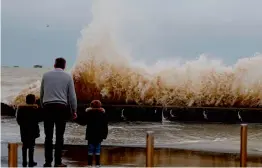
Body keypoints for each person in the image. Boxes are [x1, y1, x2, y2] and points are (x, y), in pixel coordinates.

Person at [40, 57, 77, 167]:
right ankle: (57, 162)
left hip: (47, 107)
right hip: (61, 108)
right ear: (64, 66)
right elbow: (72, 97)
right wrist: (74, 110)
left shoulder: (45, 75)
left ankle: (47, 162)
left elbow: (41, 93)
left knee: (48, 137)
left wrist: (43, 107)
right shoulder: (68, 76)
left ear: (54, 65)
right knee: (59, 136)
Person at [16, 94, 40, 167]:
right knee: (31, 146)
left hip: (24, 130)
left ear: (26, 100)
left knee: (24, 146)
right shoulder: (35, 109)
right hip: (33, 130)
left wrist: (22, 125)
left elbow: (18, 120)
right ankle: (31, 161)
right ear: (33, 101)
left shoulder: (21, 109)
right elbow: (39, 119)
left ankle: (24, 162)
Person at [83, 100, 108, 167]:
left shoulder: (88, 113)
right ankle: (97, 164)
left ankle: (89, 164)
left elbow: (83, 122)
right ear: (100, 106)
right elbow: (105, 126)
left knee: (90, 149)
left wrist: (85, 112)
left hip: (90, 134)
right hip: (99, 135)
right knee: (97, 149)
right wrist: (105, 135)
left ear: (91, 106)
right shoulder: (103, 114)